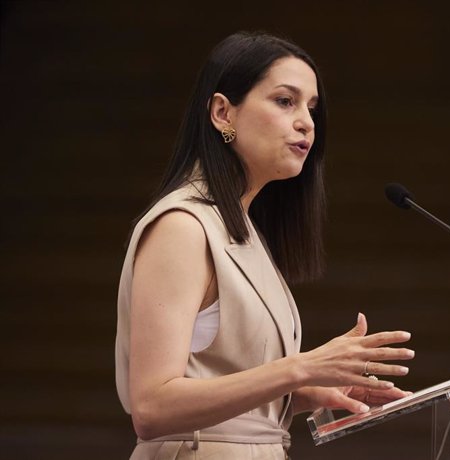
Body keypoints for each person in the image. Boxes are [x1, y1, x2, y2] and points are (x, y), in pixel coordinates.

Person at [114, 31, 414, 459]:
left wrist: (312, 388)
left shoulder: (241, 229)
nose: (307, 123)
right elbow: (152, 407)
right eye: (285, 101)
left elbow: (222, 384)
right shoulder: (183, 226)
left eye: (312, 108)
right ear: (222, 112)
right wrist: (298, 368)